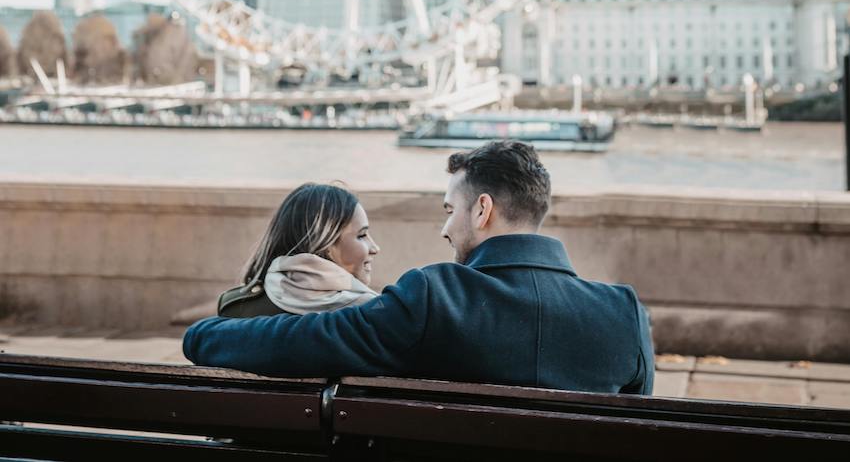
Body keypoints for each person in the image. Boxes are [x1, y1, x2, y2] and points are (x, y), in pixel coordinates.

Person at [184, 141, 654, 394]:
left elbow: (306, 341)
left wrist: (202, 335)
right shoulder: (624, 314)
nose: (444, 229)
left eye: (450, 209)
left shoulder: (434, 297)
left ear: (482, 210)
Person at [217, 183, 381, 318]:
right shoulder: (374, 315)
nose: (375, 248)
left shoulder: (236, 307)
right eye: (362, 235)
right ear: (324, 243)